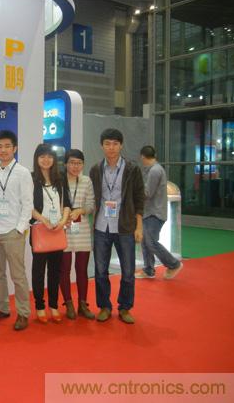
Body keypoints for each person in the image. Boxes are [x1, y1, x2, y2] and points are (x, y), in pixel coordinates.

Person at [89, 128, 144, 324]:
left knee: (128, 271)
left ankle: (125, 307)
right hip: (101, 226)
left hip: (125, 226)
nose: (111, 147)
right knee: (100, 271)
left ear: (121, 146)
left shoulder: (132, 169)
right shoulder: (96, 169)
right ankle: (104, 306)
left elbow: (139, 198)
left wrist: (139, 226)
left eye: (115, 144)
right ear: (102, 146)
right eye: (107, 144)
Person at [0, 130, 33, 331]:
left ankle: (23, 313)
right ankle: (2, 307)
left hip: (13, 231)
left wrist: (20, 228)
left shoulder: (22, 172)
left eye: (7, 146)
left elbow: (27, 204)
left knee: (18, 275)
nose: (3, 150)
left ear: (15, 148)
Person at [29, 144, 70, 323]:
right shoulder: (31, 179)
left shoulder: (60, 179)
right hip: (40, 229)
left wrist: (62, 221)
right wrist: (43, 219)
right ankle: (39, 306)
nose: (46, 160)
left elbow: (67, 204)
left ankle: (53, 306)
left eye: (49, 156)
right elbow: (27, 205)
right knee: (38, 272)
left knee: (55, 271)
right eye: (42, 156)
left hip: (57, 230)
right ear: (37, 159)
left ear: (54, 159)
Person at [135, 145, 184, 280]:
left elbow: (147, 193)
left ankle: (173, 264)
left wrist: (134, 191)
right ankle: (148, 270)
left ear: (143, 157)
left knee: (150, 242)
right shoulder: (154, 169)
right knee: (146, 241)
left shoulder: (155, 171)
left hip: (154, 213)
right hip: (150, 212)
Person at [60, 149, 96, 320]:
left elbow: (91, 205)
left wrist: (80, 210)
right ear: (65, 164)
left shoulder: (86, 181)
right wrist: (64, 216)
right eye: (72, 163)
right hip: (64, 228)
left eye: (79, 163)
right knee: (64, 269)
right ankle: (68, 303)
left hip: (82, 229)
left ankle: (82, 303)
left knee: (82, 269)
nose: (75, 166)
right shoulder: (59, 180)